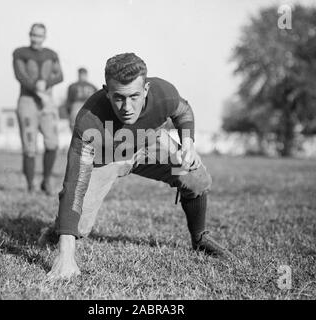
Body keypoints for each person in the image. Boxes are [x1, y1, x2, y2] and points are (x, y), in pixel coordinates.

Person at [46, 53, 235, 280]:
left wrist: (187, 142)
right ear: (107, 91)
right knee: (80, 228)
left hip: (149, 145)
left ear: (146, 89)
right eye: (118, 98)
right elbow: (74, 183)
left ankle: (200, 237)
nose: (127, 107)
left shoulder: (162, 93)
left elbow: (183, 111)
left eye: (134, 96)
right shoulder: (89, 120)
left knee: (194, 177)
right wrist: (66, 255)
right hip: (108, 158)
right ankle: (57, 231)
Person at [12, 23, 63, 195]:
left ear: (44, 36)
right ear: (29, 35)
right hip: (28, 101)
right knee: (29, 146)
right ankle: (30, 185)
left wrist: (46, 84)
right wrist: (35, 87)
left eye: (40, 35)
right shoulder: (20, 53)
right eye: (34, 35)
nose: (36, 39)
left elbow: (59, 75)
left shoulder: (51, 54)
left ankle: (46, 181)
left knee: (53, 143)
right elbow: (20, 75)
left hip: (47, 102)